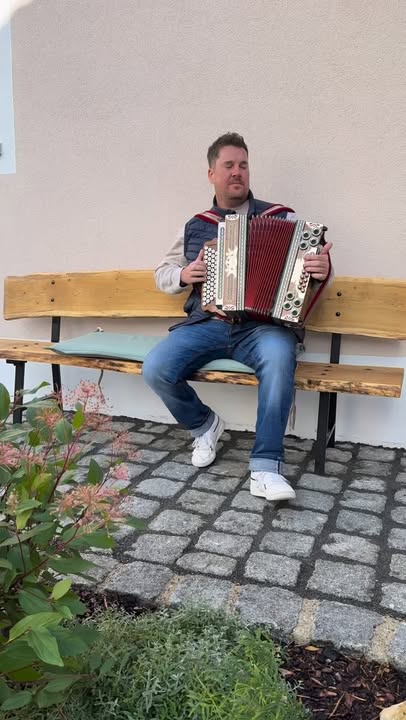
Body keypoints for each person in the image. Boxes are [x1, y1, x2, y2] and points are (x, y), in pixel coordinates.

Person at [143, 133, 332, 502]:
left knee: (279, 360)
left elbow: (313, 268)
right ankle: (204, 424)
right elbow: (162, 273)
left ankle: (266, 467)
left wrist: (323, 269)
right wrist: (184, 275)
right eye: (228, 165)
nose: (237, 172)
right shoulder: (196, 225)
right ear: (211, 174)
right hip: (208, 325)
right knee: (156, 368)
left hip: (263, 328)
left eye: (243, 165)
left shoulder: (282, 217)